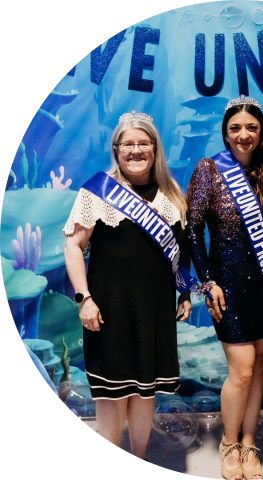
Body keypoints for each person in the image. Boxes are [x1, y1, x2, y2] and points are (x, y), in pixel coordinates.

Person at [63, 111, 192, 459]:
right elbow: (72, 246)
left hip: (154, 310)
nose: (136, 150)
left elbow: (182, 250)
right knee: (112, 392)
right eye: (128, 144)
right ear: (116, 149)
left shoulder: (172, 194)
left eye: (143, 143)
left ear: (155, 148)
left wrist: (185, 292)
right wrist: (83, 299)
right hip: (109, 309)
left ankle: (139, 460)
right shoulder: (97, 192)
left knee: (145, 391)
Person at [186, 96, 263, 480]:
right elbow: (192, 231)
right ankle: (228, 443)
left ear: (261, 132)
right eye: (235, 128)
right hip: (228, 285)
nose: (243, 134)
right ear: (225, 132)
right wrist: (207, 282)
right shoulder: (208, 170)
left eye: (251, 127)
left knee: (261, 363)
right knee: (243, 368)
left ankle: (250, 441)